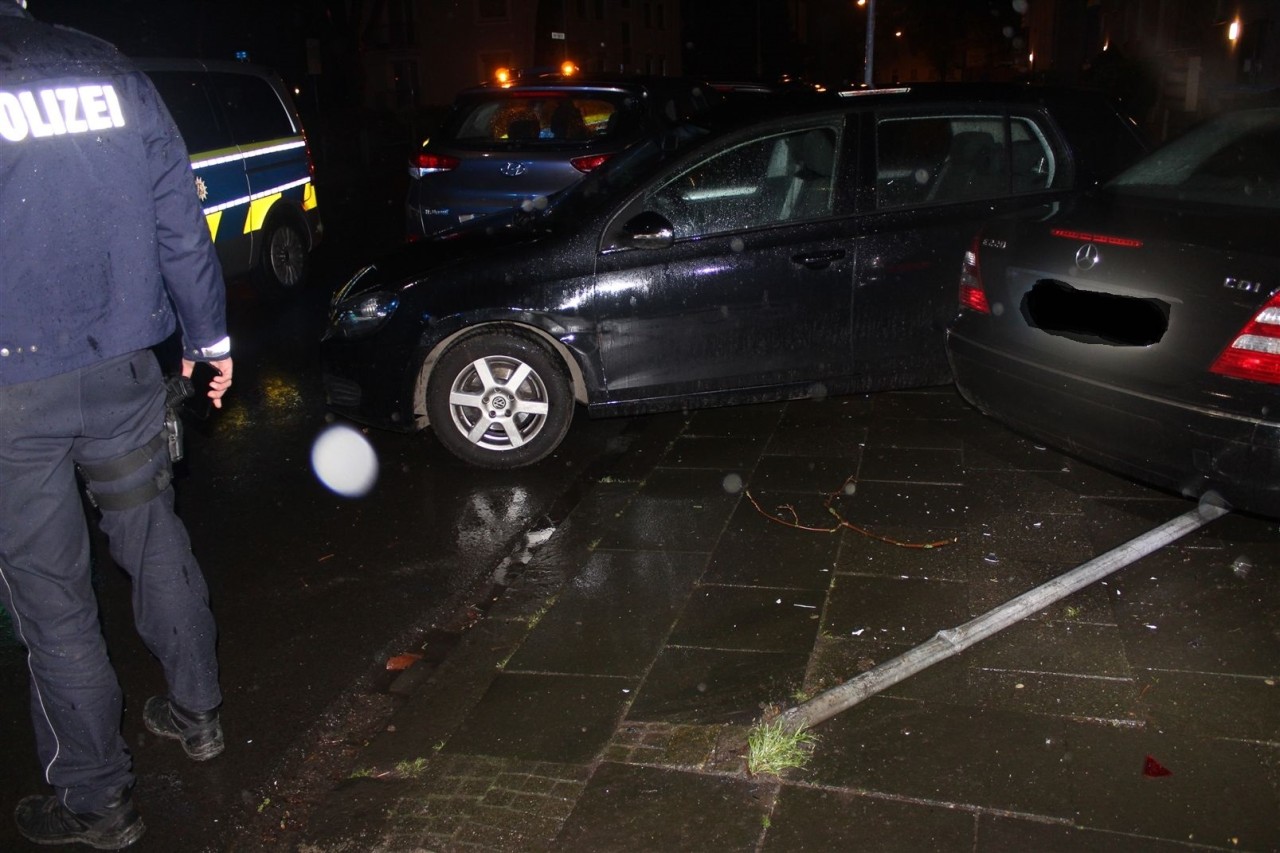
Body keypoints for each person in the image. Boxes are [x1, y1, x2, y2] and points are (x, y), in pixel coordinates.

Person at [0, 1, 233, 848]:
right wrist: (210, 340)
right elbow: (179, 215)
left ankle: (97, 798)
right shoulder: (106, 67)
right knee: (151, 536)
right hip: (122, 368)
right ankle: (200, 712)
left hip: (12, 395)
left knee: (50, 592)